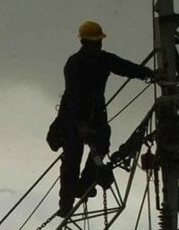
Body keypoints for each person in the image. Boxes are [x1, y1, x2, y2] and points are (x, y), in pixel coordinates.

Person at [49, 20, 154, 217]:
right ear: (84, 43)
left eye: (99, 42)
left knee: (101, 144)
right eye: (94, 42)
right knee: (72, 159)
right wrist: (80, 124)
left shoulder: (104, 59)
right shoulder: (74, 64)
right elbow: (72, 96)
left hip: (96, 115)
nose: (98, 45)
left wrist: (149, 74)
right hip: (73, 116)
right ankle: (66, 204)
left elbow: (125, 67)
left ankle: (84, 185)